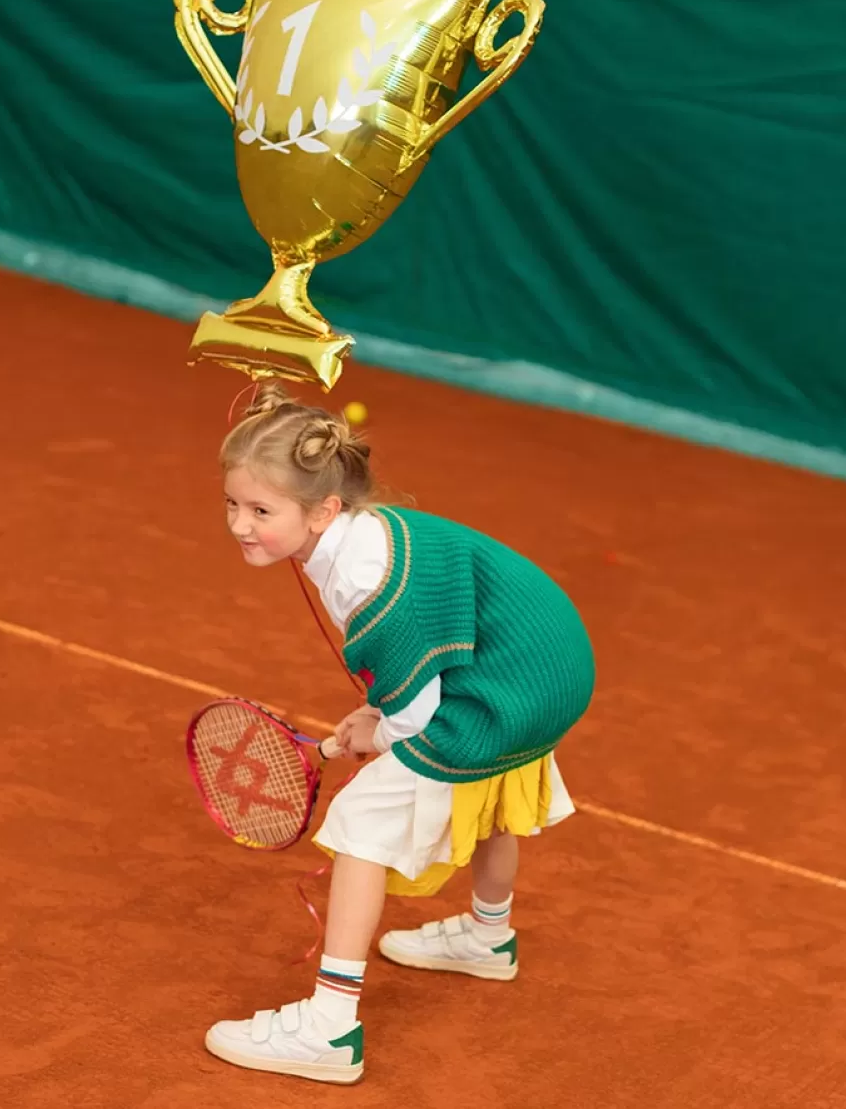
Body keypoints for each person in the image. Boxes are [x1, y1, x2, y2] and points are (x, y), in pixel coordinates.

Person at [205, 382, 595, 1085]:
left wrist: (378, 733)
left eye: (262, 509)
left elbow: (415, 716)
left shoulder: (366, 582)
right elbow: (417, 673)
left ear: (324, 509)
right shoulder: (362, 535)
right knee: (492, 785)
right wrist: (382, 714)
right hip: (543, 665)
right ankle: (487, 935)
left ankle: (330, 1028)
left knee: (361, 825)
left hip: (511, 686)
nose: (239, 523)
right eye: (233, 503)